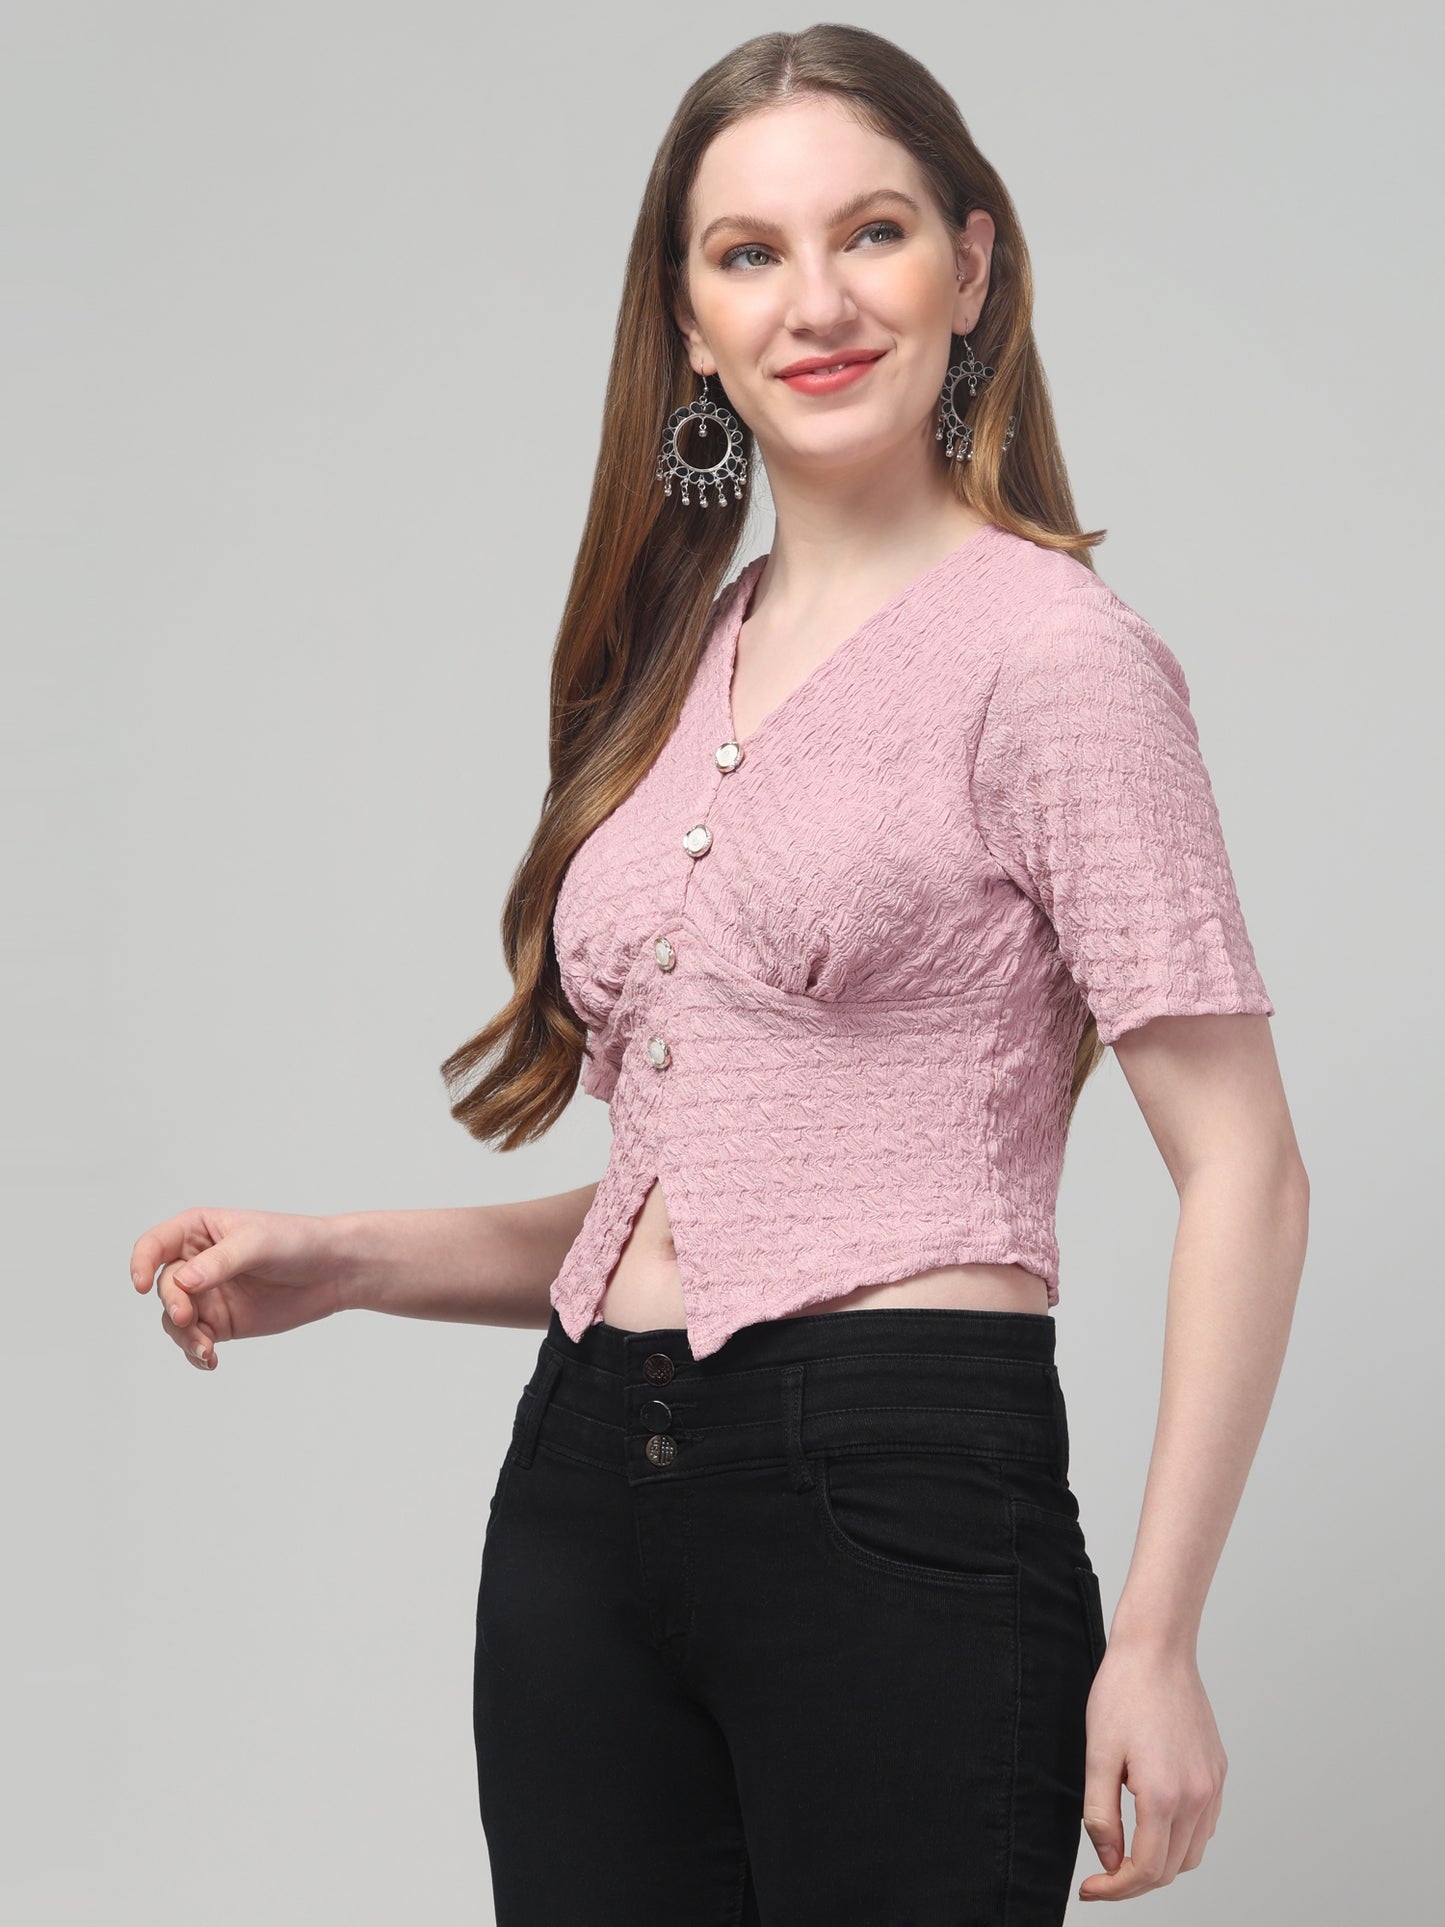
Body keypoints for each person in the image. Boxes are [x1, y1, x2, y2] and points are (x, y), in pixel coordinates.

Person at [128, 24, 1309, 1925]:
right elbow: (711, 1194)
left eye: (873, 233)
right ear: (687, 320)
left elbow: (1243, 1166)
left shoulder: (1054, 659)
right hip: (585, 1483)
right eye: (748, 253)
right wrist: (341, 1261)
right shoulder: (677, 662)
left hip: (897, 1490)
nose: (814, 303)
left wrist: (1157, 1639)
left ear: (971, 268)